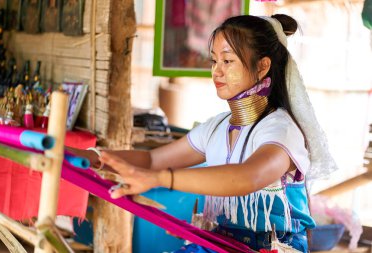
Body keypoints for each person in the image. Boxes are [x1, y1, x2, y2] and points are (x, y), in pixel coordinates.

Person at [72, 14, 337, 253]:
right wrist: (93, 157)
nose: (216, 70)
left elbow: (250, 176)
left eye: (228, 60)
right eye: (214, 60)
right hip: (220, 242)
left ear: (262, 66)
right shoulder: (217, 128)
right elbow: (154, 160)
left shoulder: (280, 128)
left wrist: (159, 179)